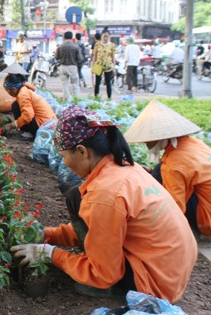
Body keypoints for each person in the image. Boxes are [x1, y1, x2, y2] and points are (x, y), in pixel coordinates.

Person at [11, 105, 197, 303]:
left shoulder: (105, 194)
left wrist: (52, 254)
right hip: (170, 269)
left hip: (155, 284)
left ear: (82, 152)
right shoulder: (124, 168)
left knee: (98, 272)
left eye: (64, 156)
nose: (64, 163)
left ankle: (119, 289)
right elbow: (100, 227)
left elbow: (105, 272)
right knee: (76, 196)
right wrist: (49, 235)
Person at [124, 100, 211, 237]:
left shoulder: (175, 164)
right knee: (159, 170)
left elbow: (175, 207)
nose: (147, 144)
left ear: (163, 137)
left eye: (149, 140)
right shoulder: (191, 143)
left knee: (159, 175)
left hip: (209, 221)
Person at [1, 73, 57, 140]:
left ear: (14, 89)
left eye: (7, 91)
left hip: (44, 126)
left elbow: (28, 115)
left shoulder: (23, 95)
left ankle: (30, 133)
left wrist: (12, 125)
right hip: (47, 122)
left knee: (15, 106)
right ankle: (28, 131)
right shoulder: (24, 89)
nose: (8, 93)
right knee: (16, 104)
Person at [55, 31, 82, 99]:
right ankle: (77, 99)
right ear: (72, 37)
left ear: (64, 37)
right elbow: (80, 58)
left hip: (63, 66)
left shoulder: (60, 47)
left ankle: (67, 98)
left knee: (64, 84)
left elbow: (56, 57)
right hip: (72, 66)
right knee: (75, 85)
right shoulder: (76, 47)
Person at [91, 30, 116, 99]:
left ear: (109, 37)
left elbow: (113, 57)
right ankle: (96, 97)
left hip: (108, 66)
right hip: (99, 65)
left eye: (107, 36)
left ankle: (109, 98)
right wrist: (92, 65)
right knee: (97, 82)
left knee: (108, 83)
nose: (105, 38)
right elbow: (94, 56)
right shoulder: (97, 44)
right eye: (104, 36)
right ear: (102, 36)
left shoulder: (112, 45)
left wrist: (114, 67)